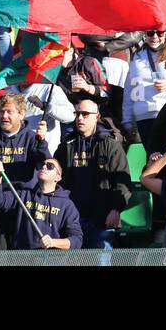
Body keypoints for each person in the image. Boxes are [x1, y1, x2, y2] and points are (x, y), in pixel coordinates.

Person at [0, 92, 50, 249]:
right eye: (1, 111)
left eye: (9, 111)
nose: (4, 116)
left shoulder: (32, 138)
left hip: (25, 206)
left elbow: (45, 167)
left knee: (24, 257)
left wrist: (42, 143)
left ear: (21, 114)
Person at [55, 96, 130, 249]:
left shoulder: (110, 145)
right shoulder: (66, 145)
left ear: (97, 117)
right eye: (77, 114)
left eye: (85, 114)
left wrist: (116, 209)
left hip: (102, 218)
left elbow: (122, 180)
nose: (80, 118)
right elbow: (54, 177)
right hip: (72, 219)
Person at [0, 154, 83, 250]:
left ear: (58, 178)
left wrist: (53, 242)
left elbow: (77, 240)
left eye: (50, 166)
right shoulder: (23, 194)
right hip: (22, 258)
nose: (44, 167)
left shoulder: (67, 205)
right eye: (43, 164)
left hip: (50, 261)